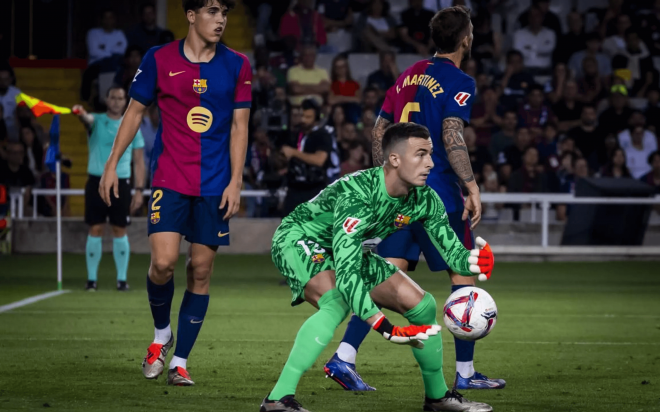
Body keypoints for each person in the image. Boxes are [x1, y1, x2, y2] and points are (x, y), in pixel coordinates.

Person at [324, 5, 505, 393]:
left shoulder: (407, 76)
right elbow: (452, 133)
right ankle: (466, 373)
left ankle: (344, 356)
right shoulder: (460, 80)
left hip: (402, 195)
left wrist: (385, 182)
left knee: (385, 273)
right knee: (462, 276)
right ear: (466, 39)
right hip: (437, 195)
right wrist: (471, 185)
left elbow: (379, 130)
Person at [260, 122, 495, 412]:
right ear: (394, 159)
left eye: (431, 154)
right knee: (336, 302)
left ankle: (437, 398)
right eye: (421, 154)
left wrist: (474, 260)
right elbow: (347, 275)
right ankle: (277, 400)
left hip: (345, 246)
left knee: (422, 305)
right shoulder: (358, 194)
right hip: (299, 237)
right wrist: (384, 327)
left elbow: (453, 253)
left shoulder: (426, 199)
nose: (431, 163)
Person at [98, 0, 251, 386]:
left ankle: (180, 361)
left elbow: (239, 127)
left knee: (200, 269)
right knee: (163, 263)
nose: (220, 20)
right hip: (169, 177)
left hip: (215, 183)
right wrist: (112, 163)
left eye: (225, 13)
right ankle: (161, 334)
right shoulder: (158, 58)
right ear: (190, 15)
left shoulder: (237, 64)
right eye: (213, 11)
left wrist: (236, 181)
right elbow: (134, 112)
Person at [73, 87, 146, 292]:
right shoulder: (96, 120)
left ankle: (122, 280)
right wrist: (79, 112)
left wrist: (139, 189)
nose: (115, 101)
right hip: (96, 180)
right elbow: (85, 119)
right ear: (106, 100)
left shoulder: (132, 125)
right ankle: (91, 280)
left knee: (119, 229)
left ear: (125, 101)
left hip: (121, 183)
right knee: (95, 228)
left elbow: (139, 162)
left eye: (120, 98)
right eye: (112, 97)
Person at [281, 99, 333, 215]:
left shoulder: (323, 135)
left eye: (308, 117)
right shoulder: (293, 135)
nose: (304, 120)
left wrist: (294, 153)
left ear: (316, 117)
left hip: (315, 189)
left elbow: (319, 160)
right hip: (294, 190)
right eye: (302, 116)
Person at [512, 6, 556, 74]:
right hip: (525, 70)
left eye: (537, 16)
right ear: (528, 18)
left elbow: (549, 49)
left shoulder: (550, 33)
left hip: (545, 70)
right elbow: (518, 52)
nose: (535, 19)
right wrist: (539, 50)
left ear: (542, 18)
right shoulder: (519, 34)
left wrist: (529, 48)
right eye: (532, 16)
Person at [0, 66, 21, 140]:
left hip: (12, 125)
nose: (3, 82)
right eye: (1, 79)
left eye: (5, 79)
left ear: (10, 80)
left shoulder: (16, 93)